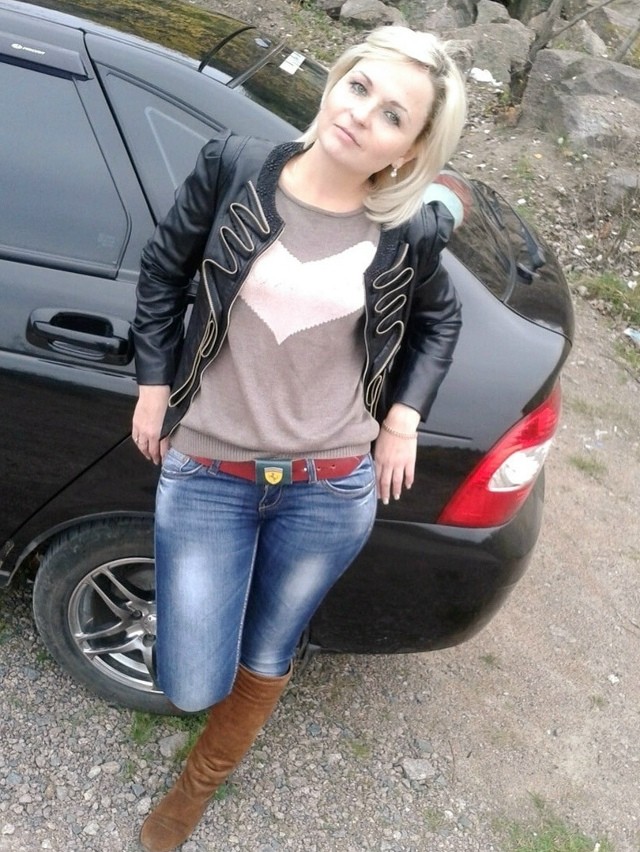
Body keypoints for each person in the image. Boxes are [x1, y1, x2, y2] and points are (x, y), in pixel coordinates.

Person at [131, 24, 467, 852]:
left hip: (330, 483)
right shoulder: (234, 168)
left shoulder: (410, 230)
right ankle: (210, 686)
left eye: (393, 115)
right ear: (336, 81)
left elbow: (440, 321)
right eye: (359, 87)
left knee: (271, 647)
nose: (361, 114)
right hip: (209, 470)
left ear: (409, 148)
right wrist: (153, 385)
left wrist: (403, 419)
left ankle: (193, 793)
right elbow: (164, 272)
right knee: (190, 680)